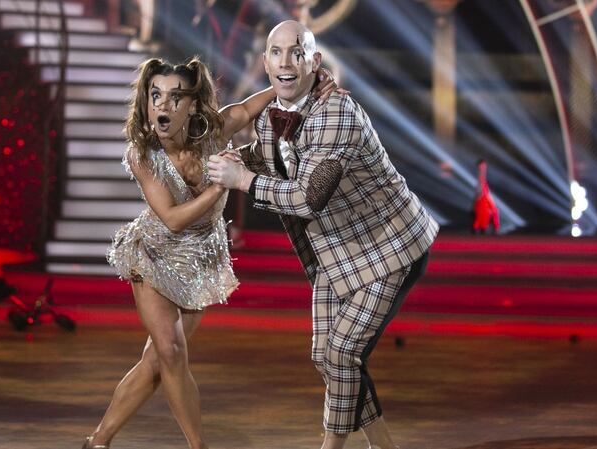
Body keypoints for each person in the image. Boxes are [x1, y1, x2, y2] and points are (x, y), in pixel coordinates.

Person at [83, 56, 337, 449]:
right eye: (156, 96)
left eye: (175, 97)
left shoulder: (214, 132)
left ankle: (98, 441)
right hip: (155, 253)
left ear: (193, 105)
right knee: (170, 350)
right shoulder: (142, 153)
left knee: (157, 363)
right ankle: (198, 446)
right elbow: (171, 219)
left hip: (200, 261)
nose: (163, 106)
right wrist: (222, 186)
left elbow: (251, 107)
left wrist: (297, 84)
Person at [207, 20, 439, 449]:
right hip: (336, 249)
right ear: (265, 63)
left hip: (390, 245)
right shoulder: (272, 117)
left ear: (314, 61)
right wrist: (231, 161)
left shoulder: (337, 114)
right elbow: (263, 157)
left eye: (296, 52)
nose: (285, 61)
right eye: (276, 53)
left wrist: (240, 180)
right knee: (327, 358)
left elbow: (309, 196)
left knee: (342, 353)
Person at [472, 158, 499, 234]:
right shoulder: (481, 175)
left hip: (484, 197)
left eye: (484, 166)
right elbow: (480, 187)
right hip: (483, 197)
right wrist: (479, 195)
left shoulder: (482, 175)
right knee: (485, 214)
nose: (484, 167)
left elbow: (481, 187)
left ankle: (484, 228)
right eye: (482, 166)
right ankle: (481, 228)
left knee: (490, 212)